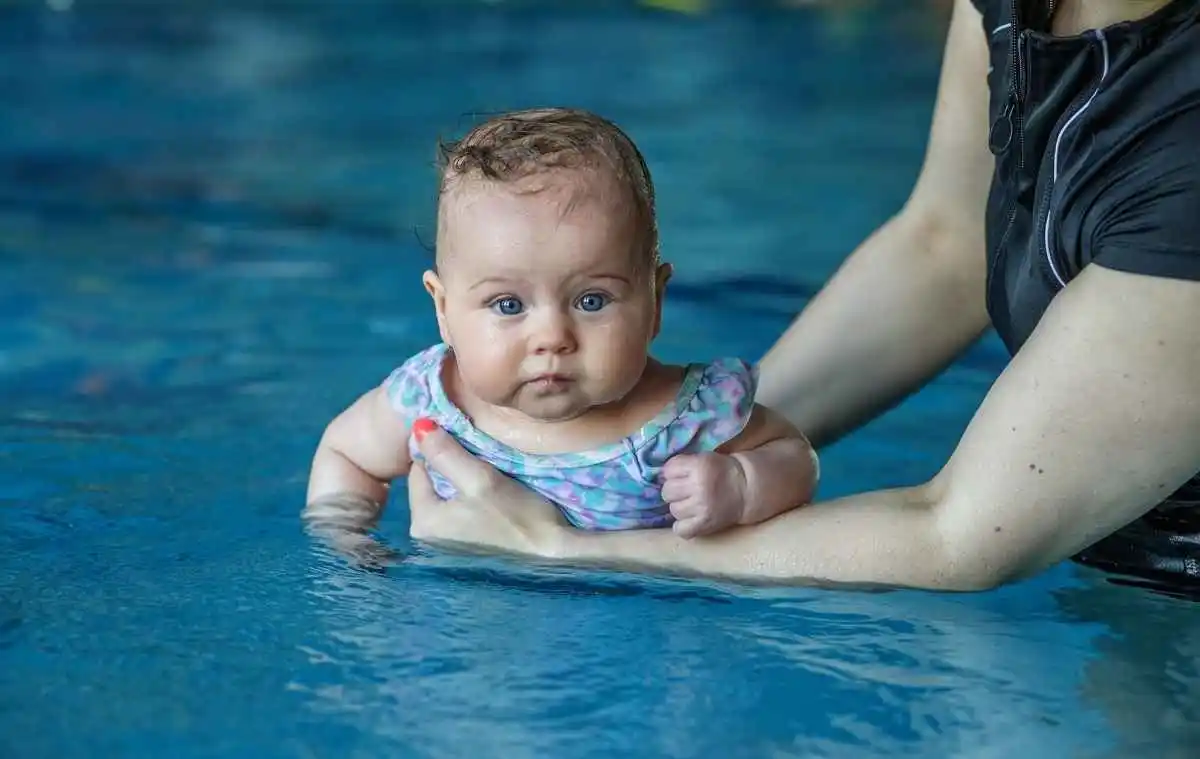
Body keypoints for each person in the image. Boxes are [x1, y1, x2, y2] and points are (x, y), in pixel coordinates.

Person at [397, 0, 1200, 597]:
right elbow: (947, 245)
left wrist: (559, 548)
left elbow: (959, 538)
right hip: (1108, 572)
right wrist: (710, 441)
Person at [303, 108, 819, 560]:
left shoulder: (688, 419)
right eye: (508, 305)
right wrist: (347, 544)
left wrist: (743, 486)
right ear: (443, 310)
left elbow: (796, 457)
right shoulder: (429, 401)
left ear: (655, 302)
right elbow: (346, 453)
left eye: (591, 301)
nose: (552, 336)